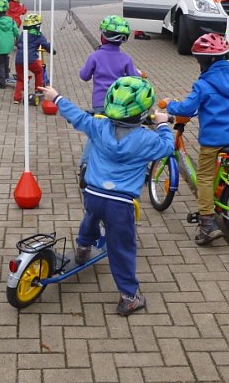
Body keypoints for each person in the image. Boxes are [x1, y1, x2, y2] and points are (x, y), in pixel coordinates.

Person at [39, 77, 174, 316]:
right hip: (120, 204)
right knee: (122, 248)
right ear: (142, 115)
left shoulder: (98, 126)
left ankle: (82, 248)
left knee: (91, 218)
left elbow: (78, 117)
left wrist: (57, 97)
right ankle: (129, 297)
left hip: (92, 193)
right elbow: (167, 147)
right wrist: (163, 124)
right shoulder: (147, 139)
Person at [164, 33, 229, 245]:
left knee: (205, 179)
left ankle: (207, 224)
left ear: (206, 62)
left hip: (212, 143)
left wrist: (170, 104)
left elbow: (187, 108)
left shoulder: (203, 85)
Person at [78, 16, 141, 183]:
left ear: (103, 36)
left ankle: (85, 165)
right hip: (120, 105)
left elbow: (84, 76)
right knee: (120, 132)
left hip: (100, 104)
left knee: (96, 134)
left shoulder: (95, 56)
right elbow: (135, 79)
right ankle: (123, 165)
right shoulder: (126, 59)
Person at [13, 13, 52, 105]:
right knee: (39, 71)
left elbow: (17, 43)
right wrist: (52, 50)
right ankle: (38, 90)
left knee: (20, 79)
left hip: (18, 60)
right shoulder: (39, 36)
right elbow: (46, 46)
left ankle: (17, 98)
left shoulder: (23, 34)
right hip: (31, 60)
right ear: (37, 26)